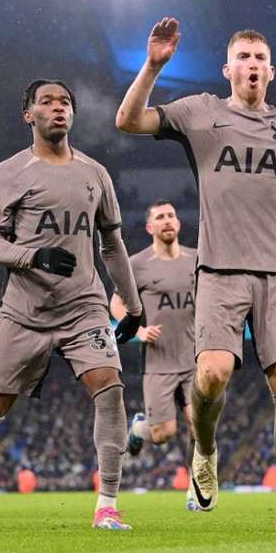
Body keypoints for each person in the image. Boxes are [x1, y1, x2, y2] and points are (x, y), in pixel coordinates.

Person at [115, 18, 276, 530]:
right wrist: (153, 66)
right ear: (228, 69)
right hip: (217, 269)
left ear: (272, 71)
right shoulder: (199, 113)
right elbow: (129, 121)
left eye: (260, 58)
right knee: (212, 376)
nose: (252, 65)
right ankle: (206, 451)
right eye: (244, 57)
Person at [0, 79, 143, 532]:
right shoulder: (8, 172)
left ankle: (108, 506)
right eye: (47, 102)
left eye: (65, 102)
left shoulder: (96, 174)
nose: (58, 108)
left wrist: (133, 307)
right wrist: (33, 256)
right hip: (23, 313)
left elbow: (112, 243)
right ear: (29, 115)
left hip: (84, 308)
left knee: (110, 388)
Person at [109, 200, 198, 510]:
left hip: (193, 360)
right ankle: (140, 429)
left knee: (200, 424)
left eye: (172, 215)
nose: (167, 221)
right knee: (163, 434)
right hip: (158, 362)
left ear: (179, 223)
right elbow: (117, 304)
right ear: (150, 227)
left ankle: (196, 489)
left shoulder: (197, 260)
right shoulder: (137, 264)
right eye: (160, 217)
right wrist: (138, 330)